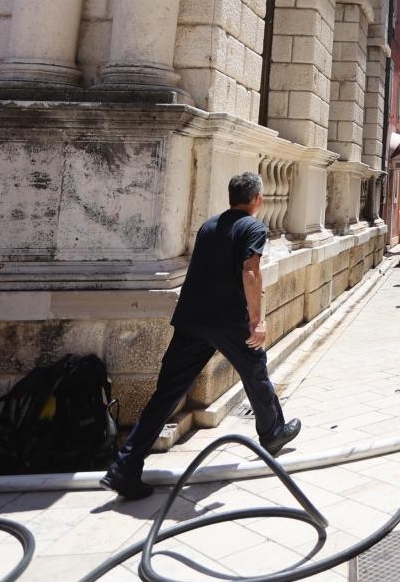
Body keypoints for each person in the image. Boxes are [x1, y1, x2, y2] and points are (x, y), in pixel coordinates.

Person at [100, 172, 302, 501]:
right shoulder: (253, 227)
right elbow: (250, 272)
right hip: (229, 321)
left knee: (167, 393)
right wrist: (257, 321)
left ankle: (125, 465)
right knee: (255, 372)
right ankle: (273, 432)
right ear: (257, 199)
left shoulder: (208, 226)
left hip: (192, 319)